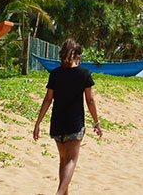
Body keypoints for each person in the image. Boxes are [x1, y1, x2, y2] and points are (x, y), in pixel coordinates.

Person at [34, 39, 102, 195]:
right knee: (71, 161)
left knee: (63, 161)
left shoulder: (55, 74)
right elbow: (90, 100)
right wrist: (96, 122)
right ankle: (59, 193)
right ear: (78, 56)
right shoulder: (84, 73)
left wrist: (38, 123)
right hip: (74, 124)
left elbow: (48, 99)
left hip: (57, 123)